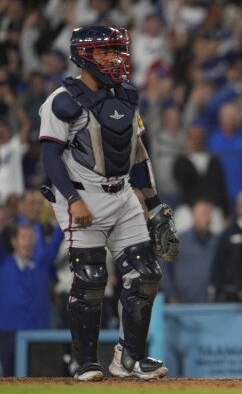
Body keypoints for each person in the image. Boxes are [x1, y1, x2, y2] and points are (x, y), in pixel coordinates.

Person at [38, 26, 179, 381]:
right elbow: (50, 156)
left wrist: (155, 203)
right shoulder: (61, 100)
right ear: (84, 57)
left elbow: (137, 153)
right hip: (82, 195)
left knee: (146, 274)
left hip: (123, 194)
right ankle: (83, 361)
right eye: (106, 52)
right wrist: (73, 200)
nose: (115, 59)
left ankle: (129, 358)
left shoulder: (128, 97)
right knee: (89, 280)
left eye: (118, 51)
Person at [0, 222, 64, 377]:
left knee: (37, 378)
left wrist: (64, 213)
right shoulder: (3, 263)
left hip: (38, 332)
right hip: (8, 332)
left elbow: (57, 238)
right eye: (24, 237)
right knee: (9, 379)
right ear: (13, 241)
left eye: (31, 236)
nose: (28, 241)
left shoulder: (41, 263)